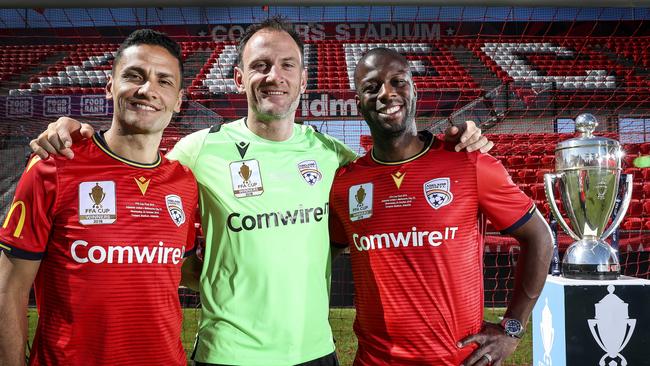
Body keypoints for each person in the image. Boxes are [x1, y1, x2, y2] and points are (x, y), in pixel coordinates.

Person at [25, 18, 493, 365]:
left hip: (316, 351)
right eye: (260, 65)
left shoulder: (335, 156)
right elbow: (133, 184)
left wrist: (458, 143)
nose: (275, 76)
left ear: (304, 81)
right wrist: (74, 132)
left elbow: (402, 173)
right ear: (239, 78)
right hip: (227, 354)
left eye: (288, 65)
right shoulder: (196, 150)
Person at [328, 47, 553, 366]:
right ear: (358, 102)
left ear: (414, 89)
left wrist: (512, 328)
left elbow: (540, 236)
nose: (386, 93)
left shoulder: (469, 161)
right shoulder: (344, 184)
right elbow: (321, 253)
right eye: (372, 87)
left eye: (397, 81)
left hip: (460, 360)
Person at [0, 29, 198, 365]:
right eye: (134, 75)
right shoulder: (57, 164)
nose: (147, 89)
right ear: (110, 86)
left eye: (164, 81)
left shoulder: (184, 182)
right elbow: (8, 289)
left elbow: (182, 271)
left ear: (178, 100)